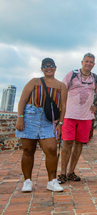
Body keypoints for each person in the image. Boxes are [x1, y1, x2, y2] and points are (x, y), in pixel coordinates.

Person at [16, 58, 67, 192]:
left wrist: (60, 124)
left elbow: (63, 106)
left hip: (47, 120)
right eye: (45, 66)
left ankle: (52, 181)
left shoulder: (61, 86)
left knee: (51, 150)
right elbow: (22, 100)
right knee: (28, 150)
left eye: (51, 66)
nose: (48, 68)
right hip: (30, 116)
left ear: (55, 68)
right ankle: (27, 181)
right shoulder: (35, 82)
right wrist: (20, 118)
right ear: (42, 68)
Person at [58, 53, 97, 184]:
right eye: (86, 61)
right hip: (69, 114)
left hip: (86, 116)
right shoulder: (71, 75)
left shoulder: (95, 78)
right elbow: (62, 90)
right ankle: (62, 173)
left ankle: (71, 171)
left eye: (91, 62)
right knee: (67, 143)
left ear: (94, 64)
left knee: (79, 144)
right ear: (82, 62)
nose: (88, 64)